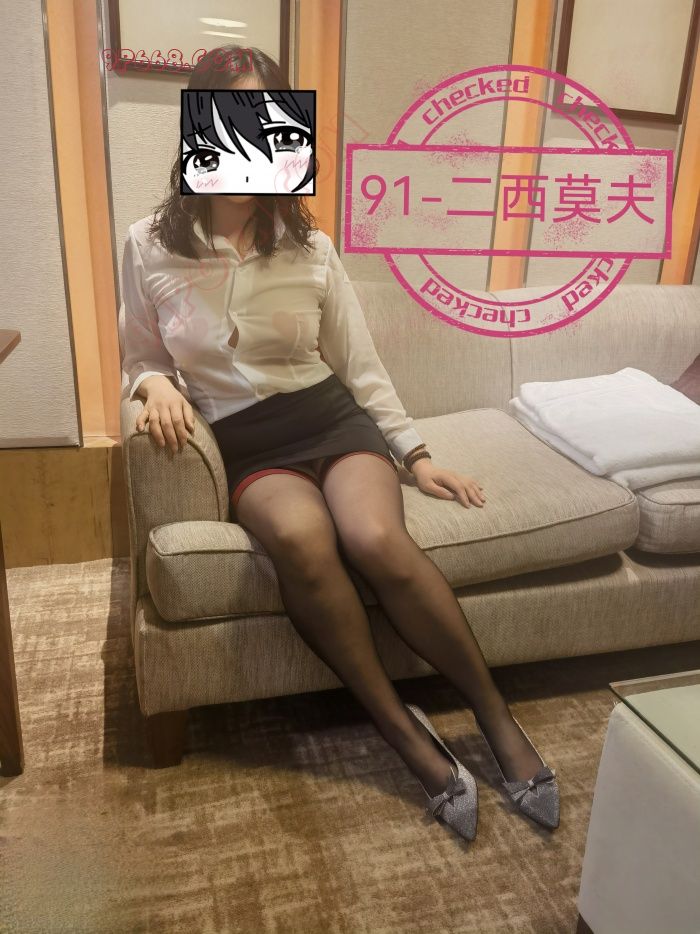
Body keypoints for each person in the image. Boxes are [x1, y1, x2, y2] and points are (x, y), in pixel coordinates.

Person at [121, 44, 559, 839]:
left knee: (375, 539)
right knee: (301, 538)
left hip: (330, 419)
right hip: (248, 440)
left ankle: (495, 718)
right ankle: (404, 734)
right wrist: (153, 385)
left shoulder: (310, 247)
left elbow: (360, 366)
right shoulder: (149, 243)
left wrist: (416, 455)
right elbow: (141, 356)